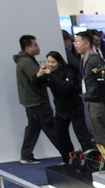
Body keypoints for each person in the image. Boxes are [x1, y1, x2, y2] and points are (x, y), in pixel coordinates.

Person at [14, 35, 59, 164]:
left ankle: (26, 155)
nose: (38, 48)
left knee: (33, 128)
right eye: (35, 45)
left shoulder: (23, 60)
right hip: (36, 101)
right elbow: (36, 79)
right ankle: (66, 153)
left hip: (30, 101)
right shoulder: (27, 62)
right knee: (51, 128)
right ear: (28, 47)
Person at [38, 51, 89, 162]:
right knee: (60, 136)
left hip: (75, 107)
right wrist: (39, 76)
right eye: (48, 62)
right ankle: (67, 159)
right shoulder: (49, 74)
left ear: (59, 62)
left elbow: (66, 87)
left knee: (82, 134)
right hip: (61, 110)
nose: (50, 64)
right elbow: (38, 85)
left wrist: (51, 75)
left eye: (53, 62)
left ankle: (90, 158)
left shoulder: (68, 71)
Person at [76, 30, 105, 153]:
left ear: (87, 43)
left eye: (78, 42)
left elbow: (104, 81)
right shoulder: (84, 59)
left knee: (102, 133)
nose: (75, 45)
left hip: (98, 102)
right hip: (90, 100)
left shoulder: (93, 59)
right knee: (96, 132)